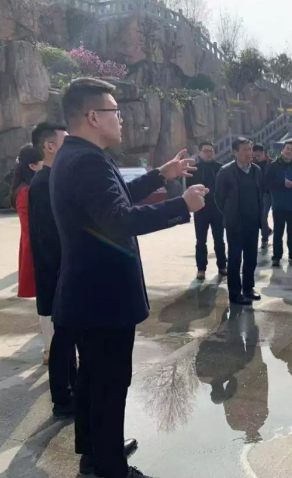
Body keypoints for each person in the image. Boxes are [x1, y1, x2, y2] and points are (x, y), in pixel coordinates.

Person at [50, 77, 207, 478]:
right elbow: (119, 220)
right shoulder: (86, 161)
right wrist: (182, 206)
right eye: (115, 111)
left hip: (91, 296)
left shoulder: (78, 155)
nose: (121, 119)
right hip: (102, 299)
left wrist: (160, 174)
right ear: (93, 116)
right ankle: (110, 468)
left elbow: (113, 201)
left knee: (93, 378)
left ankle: (95, 453)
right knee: (109, 382)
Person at [28, 122, 78, 419]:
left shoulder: (53, 179)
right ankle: (63, 397)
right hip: (59, 275)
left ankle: (70, 391)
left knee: (67, 338)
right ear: (49, 146)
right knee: (63, 340)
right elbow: (50, 238)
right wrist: (66, 275)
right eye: (65, 141)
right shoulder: (44, 183)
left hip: (62, 274)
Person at [215, 137, 263, 306]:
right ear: (235, 152)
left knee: (251, 257)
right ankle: (235, 294)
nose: (248, 153)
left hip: (253, 222)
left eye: (250, 149)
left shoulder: (256, 170)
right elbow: (219, 198)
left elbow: (260, 194)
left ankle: (248, 288)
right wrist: (230, 214)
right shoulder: (226, 171)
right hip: (235, 224)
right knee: (235, 259)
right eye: (244, 150)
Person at [10, 146, 43, 359]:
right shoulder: (26, 192)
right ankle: (50, 348)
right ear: (32, 165)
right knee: (48, 300)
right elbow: (32, 228)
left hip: (39, 247)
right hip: (38, 250)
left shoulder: (30, 188)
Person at [187, 141, 227, 280]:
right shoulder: (194, 169)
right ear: (199, 153)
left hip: (218, 210)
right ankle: (201, 269)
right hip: (200, 210)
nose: (208, 153)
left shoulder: (221, 168)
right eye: (205, 151)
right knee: (201, 241)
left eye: (211, 151)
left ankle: (222, 266)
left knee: (219, 240)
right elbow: (189, 190)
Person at [265, 140, 292, 268]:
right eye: (287, 148)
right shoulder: (273, 166)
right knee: (278, 231)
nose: (289, 151)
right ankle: (276, 257)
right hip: (279, 203)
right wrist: (282, 184)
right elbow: (267, 183)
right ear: (282, 150)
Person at [252, 143, 272, 248]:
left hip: (269, 193)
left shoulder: (271, 163)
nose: (257, 157)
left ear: (264, 153)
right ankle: (267, 231)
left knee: (263, 216)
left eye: (259, 155)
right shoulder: (252, 164)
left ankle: (265, 238)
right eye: (255, 155)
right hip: (257, 193)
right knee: (258, 216)